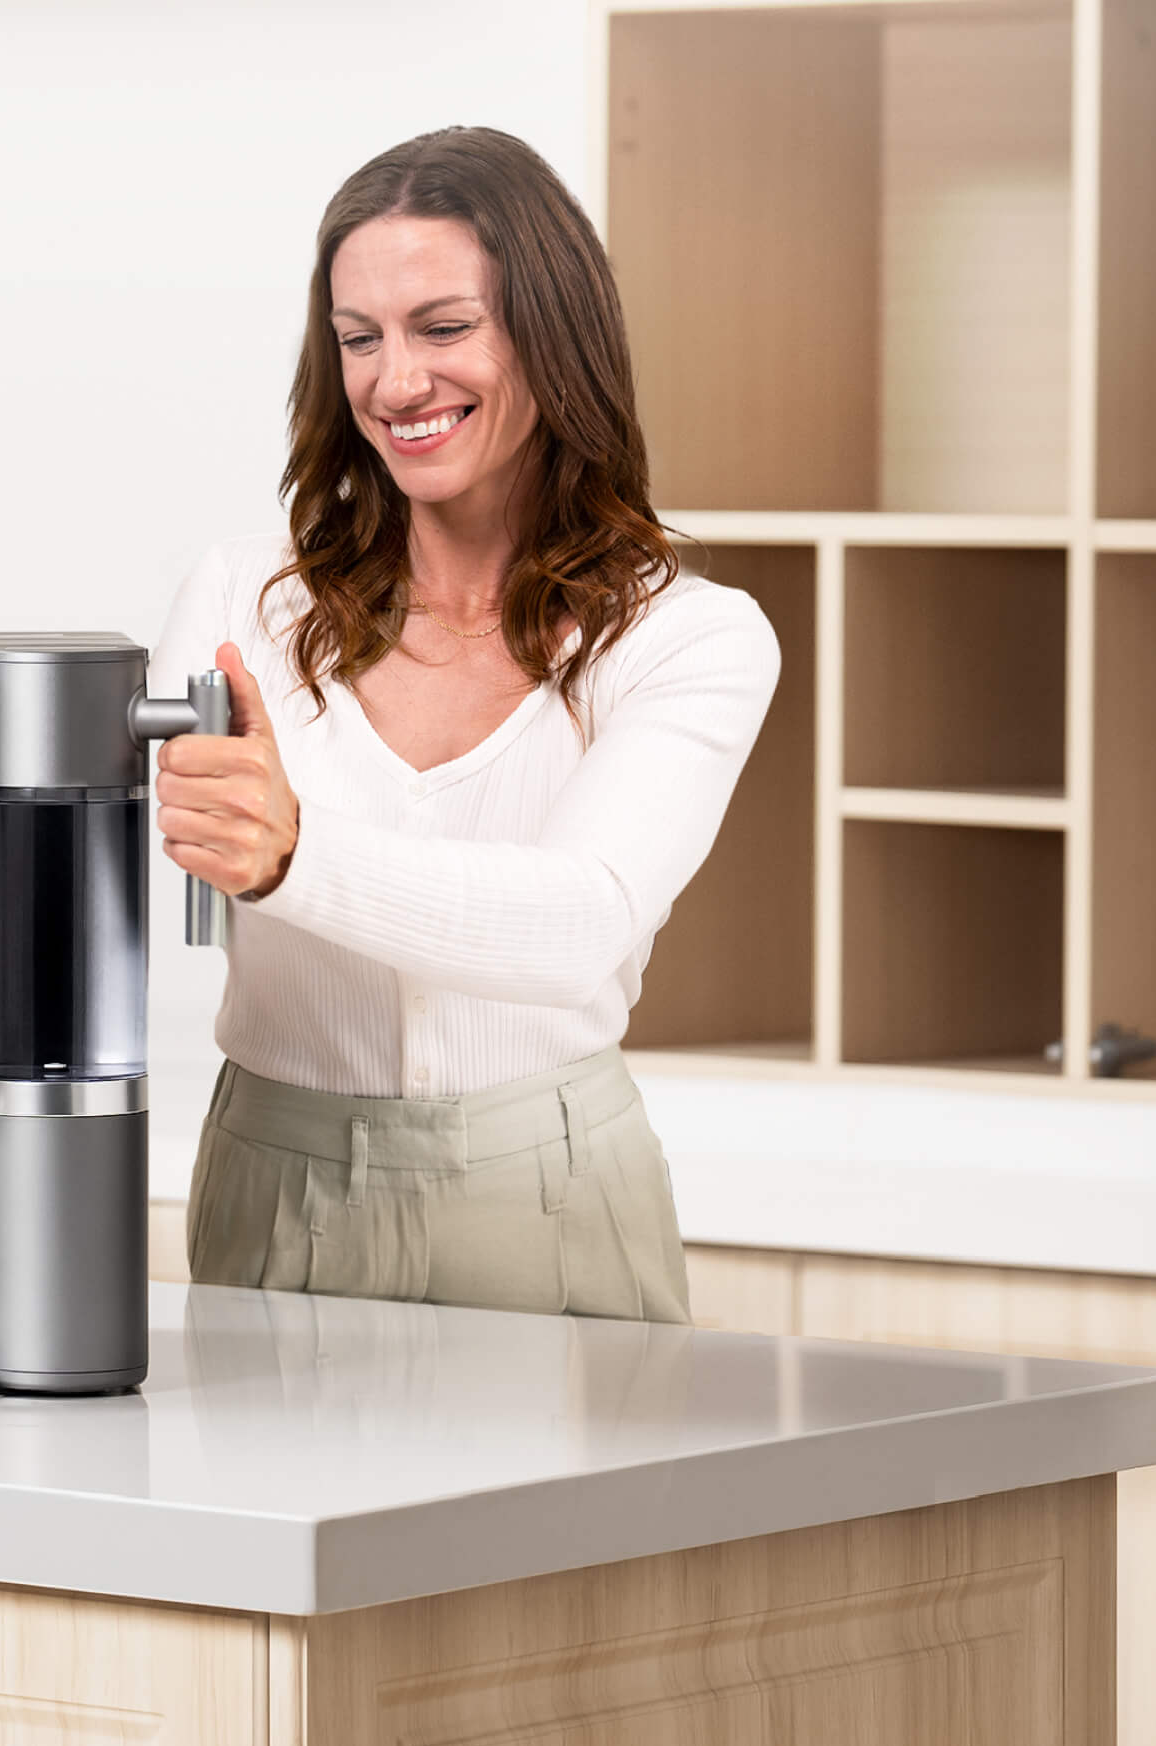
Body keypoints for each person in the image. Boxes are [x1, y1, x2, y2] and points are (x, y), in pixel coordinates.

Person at [153, 126, 780, 1323]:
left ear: (554, 333)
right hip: (274, 1179)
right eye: (359, 339)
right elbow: (121, 862)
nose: (396, 384)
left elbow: (576, 924)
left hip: (552, 1190)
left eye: (443, 328)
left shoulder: (689, 638)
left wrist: (294, 855)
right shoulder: (244, 601)